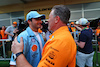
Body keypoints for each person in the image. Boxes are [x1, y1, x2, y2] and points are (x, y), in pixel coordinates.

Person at [11, 5, 76, 67]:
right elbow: (13, 63)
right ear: (29, 21)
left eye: (40, 19)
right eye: (37, 19)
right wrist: (18, 54)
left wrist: (18, 53)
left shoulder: (43, 36)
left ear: (56, 19)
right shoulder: (23, 37)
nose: (41, 21)